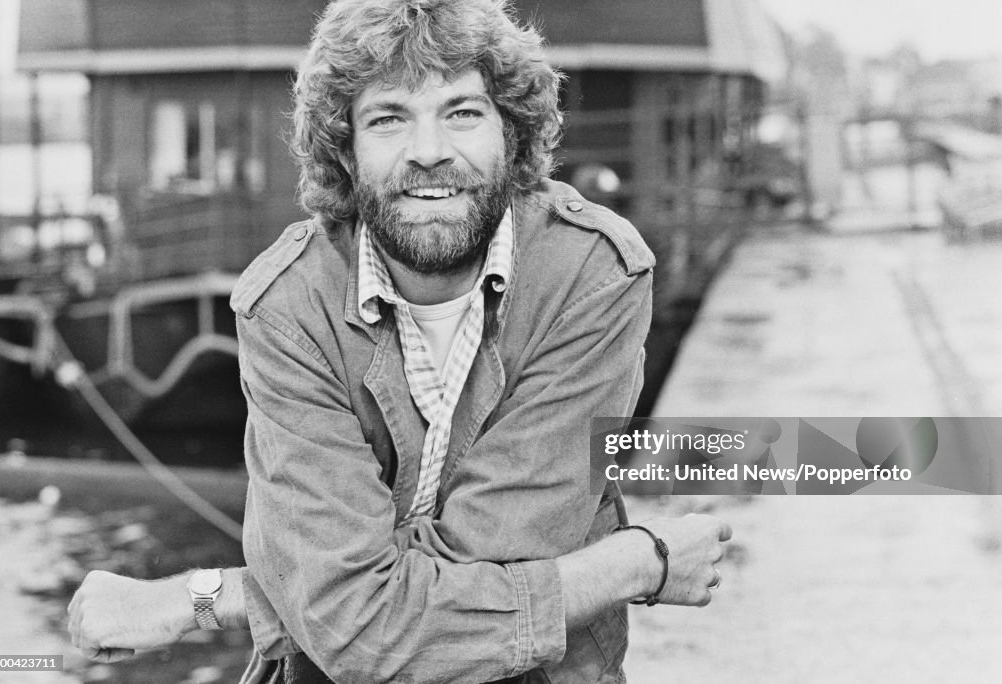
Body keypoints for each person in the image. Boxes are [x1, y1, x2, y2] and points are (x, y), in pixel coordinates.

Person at [67, 1, 732, 682]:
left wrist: (210, 598)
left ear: (512, 133)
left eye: (462, 113)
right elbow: (355, 629)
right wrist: (630, 566)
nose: (429, 151)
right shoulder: (287, 306)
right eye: (388, 119)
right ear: (346, 150)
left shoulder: (592, 275)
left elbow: (374, 610)